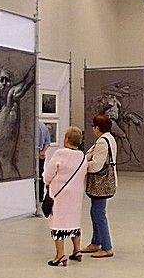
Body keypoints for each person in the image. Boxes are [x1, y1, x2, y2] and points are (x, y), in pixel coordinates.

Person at [42, 127, 88, 266]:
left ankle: (60, 255)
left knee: (59, 222)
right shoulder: (82, 156)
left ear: (67, 139)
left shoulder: (60, 154)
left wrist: (46, 183)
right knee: (73, 221)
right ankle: (77, 250)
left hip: (59, 195)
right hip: (76, 195)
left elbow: (49, 173)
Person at [82, 114, 118, 258]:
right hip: (102, 183)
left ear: (97, 128)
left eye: (94, 126)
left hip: (101, 183)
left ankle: (107, 246)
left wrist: (82, 167)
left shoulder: (103, 142)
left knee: (98, 214)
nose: (93, 129)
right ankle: (96, 242)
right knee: (95, 212)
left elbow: (97, 165)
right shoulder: (108, 138)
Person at [37, 120, 51, 201]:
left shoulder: (32, 126)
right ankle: (40, 196)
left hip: (33, 155)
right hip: (41, 154)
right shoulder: (43, 126)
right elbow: (47, 142)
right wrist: (43, 152)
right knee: (40, 175)